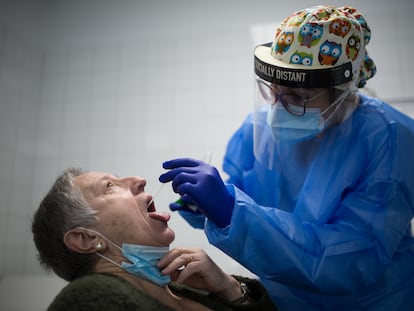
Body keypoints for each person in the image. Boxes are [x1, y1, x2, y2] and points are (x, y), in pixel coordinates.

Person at [158, 5, 414, 311]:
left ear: (342, 90)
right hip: (283, 298)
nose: (278, 108)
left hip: (374, 302)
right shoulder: (256, 128)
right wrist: (208, 207)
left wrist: (233, 213)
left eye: (297, 98)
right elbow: (244, 192)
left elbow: (355, 259)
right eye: (273, 92)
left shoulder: (390, 138)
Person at [31, 168, 278, 311]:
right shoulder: (86, 300)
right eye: (109, 186)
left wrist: (229, 288)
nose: (139, 180)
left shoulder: (187, 288)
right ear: (85, 238)